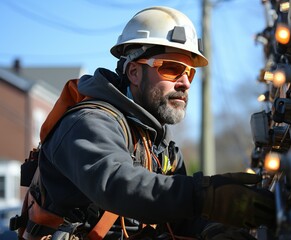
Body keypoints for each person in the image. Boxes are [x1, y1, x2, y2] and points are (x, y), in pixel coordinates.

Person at [19, 6, 275, 240]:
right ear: (133, 72)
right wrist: (204, 196)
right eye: (172, 69)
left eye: (190, 73)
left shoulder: (159, 147)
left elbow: (178, 216)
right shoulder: (88, 123)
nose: (185, 83)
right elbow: (118, 184)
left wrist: (214, 229)